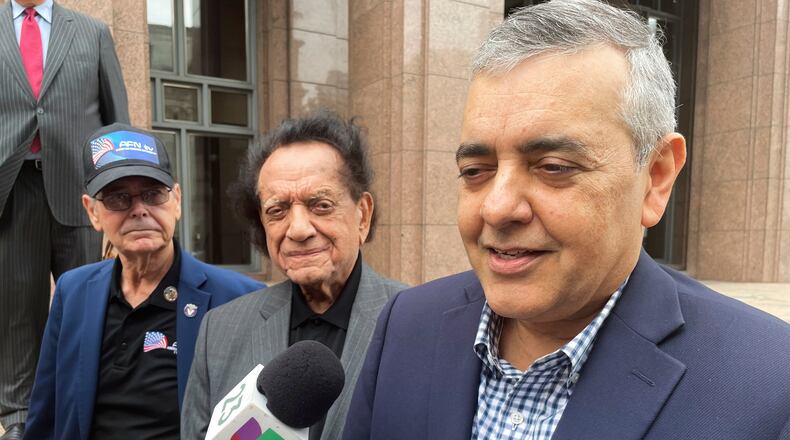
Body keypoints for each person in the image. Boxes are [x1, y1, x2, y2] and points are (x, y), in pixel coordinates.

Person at [343, 1, 790, 439]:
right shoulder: (406, 325)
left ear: (655, 178)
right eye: (475, 171)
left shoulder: (767, 384)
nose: (496, 208)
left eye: (553, 166)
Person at [23, 124, 264, 440]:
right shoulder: (73, 292)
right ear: (92, 212)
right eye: (117, 198)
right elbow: (45, 417)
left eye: (153, 194)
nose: (139, 210)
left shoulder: (239, 299)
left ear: (176, 200)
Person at [180, 110, 406, 440]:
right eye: (277, 210)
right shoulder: (219, 331)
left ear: (363, 215)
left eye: (321, 205)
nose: (298, 229)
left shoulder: (418, 324)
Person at [0, 1, 129, 437]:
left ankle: (91, 402)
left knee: (90, 302)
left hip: (81, 192)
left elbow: (116, 122)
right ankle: (18, 418)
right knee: (16, 309)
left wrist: (119, 196)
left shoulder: (92, 33)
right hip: (11, 190)